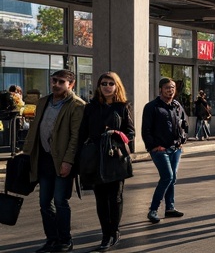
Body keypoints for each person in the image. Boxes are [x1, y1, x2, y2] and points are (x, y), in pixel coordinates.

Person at [23, 69, 86, 253]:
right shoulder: (44, 101)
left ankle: (65, 240)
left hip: (62, 161)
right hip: (43, 159)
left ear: (70, 84)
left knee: (60, 200)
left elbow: (75, 138)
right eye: (54, 80)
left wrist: (68, 162)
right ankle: (52, 239)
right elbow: (34, 130)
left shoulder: (77, 105)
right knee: (44, 202)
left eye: (61, 82)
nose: (56, 84)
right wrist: (26, 154)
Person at [79, 71, 135, 252]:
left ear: (116, 86)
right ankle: (105, 234)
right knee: (101, 199)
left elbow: (131, 133)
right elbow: (82, 133)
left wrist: (117, 136)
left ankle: (114, 232)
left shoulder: (123, 106)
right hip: (95, 158)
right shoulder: (91, 107)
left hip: (115, 157)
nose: (107, 86)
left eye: (111, 83)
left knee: (115, 197)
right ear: (98, 86)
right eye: (104, 83)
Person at [140, 76, 188, 223]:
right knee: (167, 176)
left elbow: (184, 124)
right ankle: (153, 210)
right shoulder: (152, 107)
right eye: (167, 88)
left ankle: (170, 208)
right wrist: (154, 146)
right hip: (160, 150)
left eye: (172, 88)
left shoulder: (177, 105)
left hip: (176, 148)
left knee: (172, 178)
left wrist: (182, 140)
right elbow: (145, 130)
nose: (170, 90)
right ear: (160, 89)